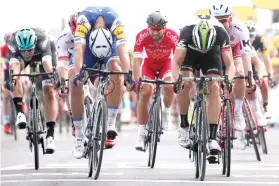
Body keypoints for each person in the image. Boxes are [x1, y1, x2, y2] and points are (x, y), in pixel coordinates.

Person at [71, 6, 131, 159]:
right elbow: (78, 48)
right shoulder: (83, 21)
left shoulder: (116, 22)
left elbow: (122, 50)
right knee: (74, 81)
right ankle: (79, 136)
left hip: (110, 48)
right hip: (88, 49)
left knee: (117, 70)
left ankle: (110, 123)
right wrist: (79, 74)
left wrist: (128, 74)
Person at [172, 15, 235, 155]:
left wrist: (228, 79)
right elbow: (175, 63)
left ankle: (212, 137)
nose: (203, 51)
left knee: (214, 86)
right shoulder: (186, 33)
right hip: (189, 53)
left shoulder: (221, 33)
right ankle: (183, 126)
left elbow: (230, 65)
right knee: (185, 83)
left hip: (212, 54)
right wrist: (178, 79)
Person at [209, 3, 267, 149]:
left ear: (230, 19)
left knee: (240, 74)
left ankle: (238, 112)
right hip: (215, 56)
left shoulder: (240, 30)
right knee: (212, 87)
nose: (221, 24)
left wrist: (249, 77)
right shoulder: (208, 29)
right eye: (217, 20)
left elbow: (246, 56)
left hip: (234, 53)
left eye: (223, 20)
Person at [7, 27, 59, 153]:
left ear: (34, 43)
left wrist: (54, 79)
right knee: (15, 76)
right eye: (24, 51)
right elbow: (15, 66)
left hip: (43, 56)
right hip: (20, 61)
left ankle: (50, 136)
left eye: (29, 50)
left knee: (50, 92)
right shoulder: (12, 43)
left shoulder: (43, 41)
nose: (27, 54)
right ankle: (20, 113)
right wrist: (14, 79)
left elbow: (47, 64)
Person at [133, 11, 178, 151]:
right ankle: (140, 134)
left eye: (158, 29)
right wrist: (136, 80)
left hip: (166, 65)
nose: (155, 32)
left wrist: (178, 77)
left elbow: (178, 59)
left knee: (170, 86)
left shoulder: (173, 36)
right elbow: (137, 60)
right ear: (148, 27)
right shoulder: (141, 36)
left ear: (164, 28)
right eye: (152, 29)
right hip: (148, 66)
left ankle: (166, 114)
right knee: (145, 92)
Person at [245, 20, 273, 114]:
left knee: (263, 81)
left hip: (255, 62)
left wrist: (269, 75)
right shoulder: (239, 39)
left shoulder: (259, 39)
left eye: (252, 36)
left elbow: (266, 59)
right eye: (248, 36)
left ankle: (265, 105)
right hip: (244, 62)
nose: (250, 38)